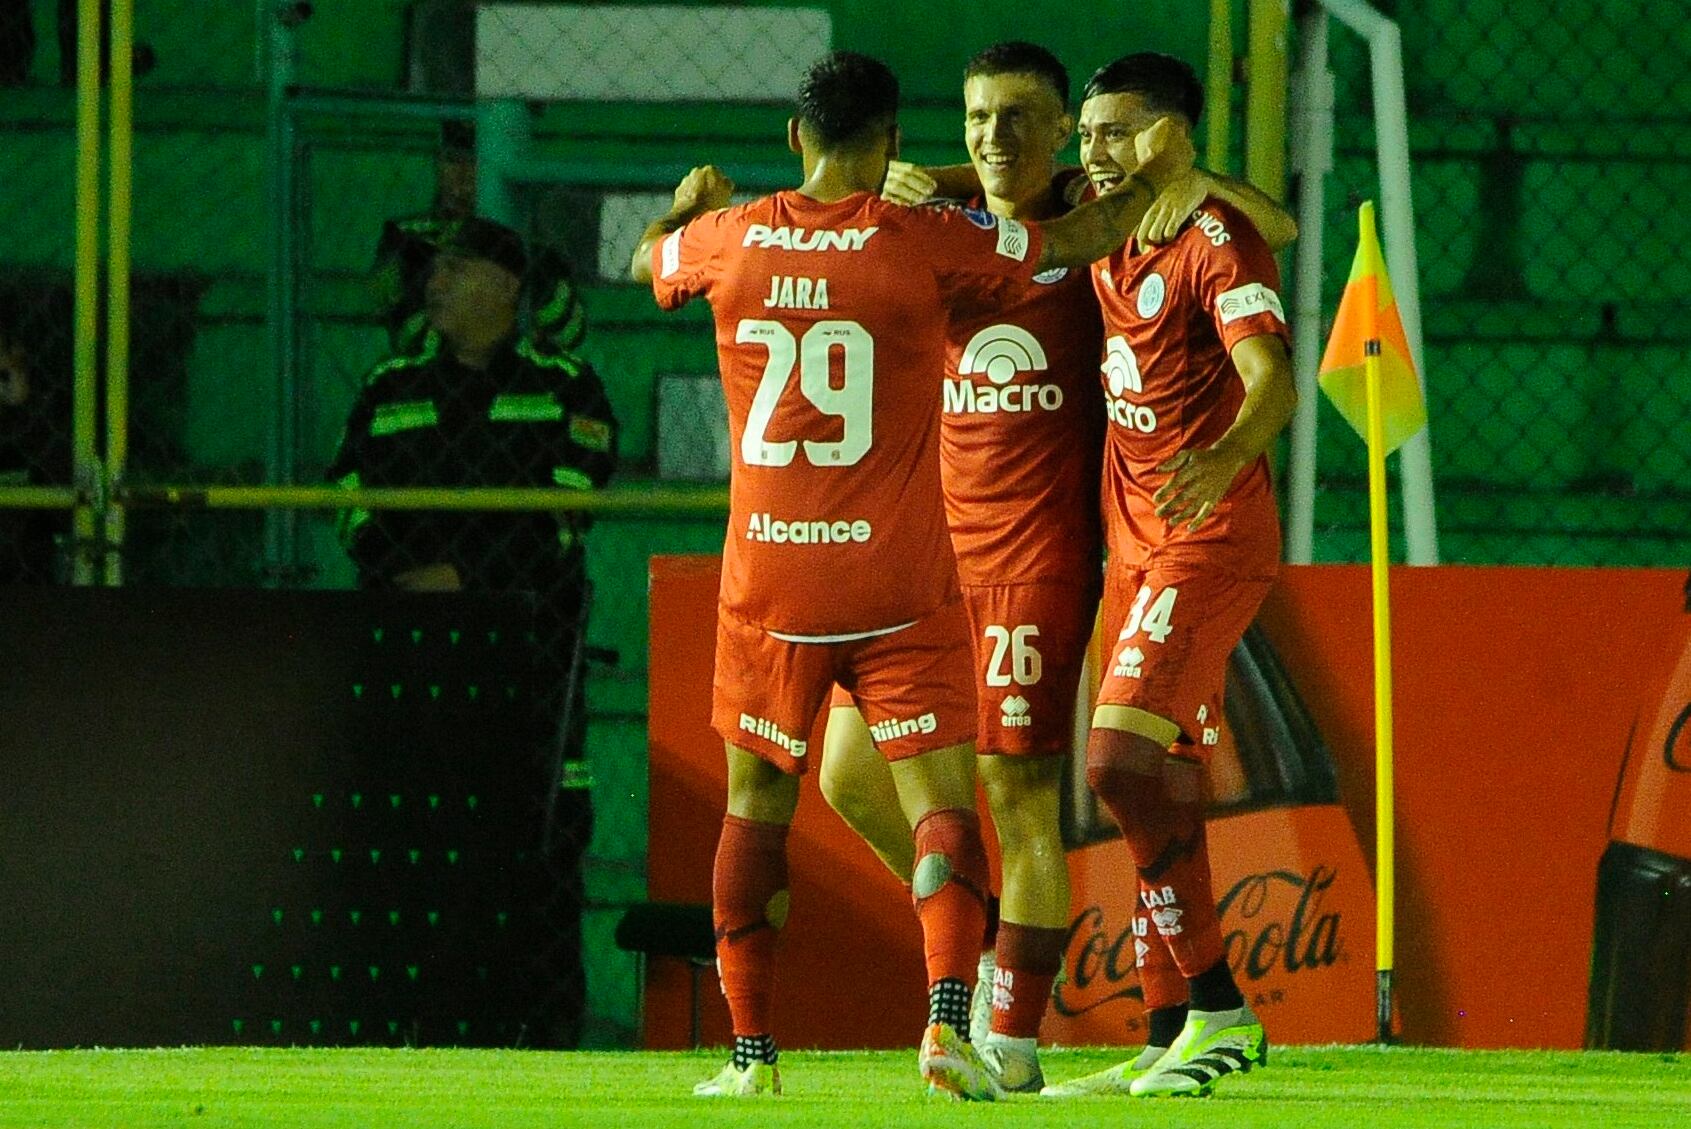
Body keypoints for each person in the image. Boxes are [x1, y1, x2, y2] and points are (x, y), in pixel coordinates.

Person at [631, 49, 1193, 1101]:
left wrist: (683, 210)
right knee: (941, 805)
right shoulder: (925, 242)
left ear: (793, 139)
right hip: (895, 579)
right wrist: (1164, 180)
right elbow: (1068, 241)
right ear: (893, 140)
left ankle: (751, 1056)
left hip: (769, 583)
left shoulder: (732, 238)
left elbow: (647, 260)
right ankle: (944, 1025)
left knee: (754, 805)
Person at [817, 42, 1299, 1094]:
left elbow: (1277, 231)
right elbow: (961, 186)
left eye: (1030, 121)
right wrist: (928, 179)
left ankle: (1023, 1031)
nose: (1003, 138)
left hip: (1051, 550)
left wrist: (1198, 179)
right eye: (978, 118)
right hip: (941, 550)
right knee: (848, 773)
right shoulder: (967, 224)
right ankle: (1108, 993)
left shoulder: (1140, 218)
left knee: (1048, 782)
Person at [1037, 52, 1299, 1099]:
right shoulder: (1104, 212)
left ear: (1174, 134)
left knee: (1114, 765)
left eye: (1119, 130)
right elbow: (1001, 177)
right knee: (1156, 778)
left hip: (1208, 535)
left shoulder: (1209, 236)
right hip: (1133, 545)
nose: (1094, 151)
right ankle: (1167, 1031)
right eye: (1088, 132)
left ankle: (1220, 1008)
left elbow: (1272, 378)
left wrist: (1225, 456)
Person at [328, 215, 619, 1047]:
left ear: (505, 286)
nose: (435, 282)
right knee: (406, 848)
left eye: (455, 268)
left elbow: (565, 513)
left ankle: (546, 1037)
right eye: (435, 268)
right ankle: (403, 1033)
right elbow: (347, 497)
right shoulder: (388, 388)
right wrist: (403, 574)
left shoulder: (568, 386)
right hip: (409, 663)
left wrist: (463, 579)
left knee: (544, 848)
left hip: (530, 668)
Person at [374, 122, 586, 357]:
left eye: (475, 162)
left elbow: (570, 333)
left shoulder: (533, 246)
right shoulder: (408, 240)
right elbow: (414, 339)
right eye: (453, 160)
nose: (462, 175)